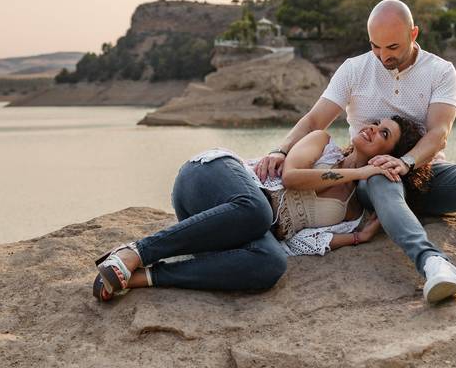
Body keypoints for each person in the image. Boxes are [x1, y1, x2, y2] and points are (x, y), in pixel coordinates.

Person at [254, 0, 456, 305]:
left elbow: (439, 132)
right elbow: (314, 119)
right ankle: (433, 263)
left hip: (425, 173)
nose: (383, 56)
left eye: (393, 46)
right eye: (375, 46)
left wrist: (407, 161)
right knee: (382, 178)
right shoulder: (355, 69)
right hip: (374, 177)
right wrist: (280, 149)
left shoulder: (440, 71)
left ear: (414, 34)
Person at [93, 115, 424, 302]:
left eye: (384, 134)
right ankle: (134, 252)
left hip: (224, 229)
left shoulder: (351, 215)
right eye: (376, 121)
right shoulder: (322, 142)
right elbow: (293, 177)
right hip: (209, 177)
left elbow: (296, 242)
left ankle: (140, 277)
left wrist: (357, 239)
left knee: (271, 263)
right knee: (257, 211)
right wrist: (360, 172)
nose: (371, 128)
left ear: (392, 155)